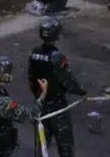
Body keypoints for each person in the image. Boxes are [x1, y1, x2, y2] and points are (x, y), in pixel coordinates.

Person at [28, 17, 86, 157]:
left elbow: (31, 78)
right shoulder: (57, 56)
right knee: (65, 145)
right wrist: (82, 92)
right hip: (58, 108)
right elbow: (68, 81)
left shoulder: (34, 52)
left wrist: (39, 96)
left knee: (42, 145)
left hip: (41, 106)